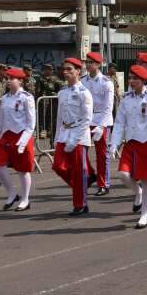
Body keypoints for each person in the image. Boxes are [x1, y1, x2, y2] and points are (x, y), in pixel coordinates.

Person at [110, 65, 147, 229]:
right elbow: (119, 123)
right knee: (122, 174)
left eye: (135, 79)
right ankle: (137, 192)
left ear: (143, 81)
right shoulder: (126, 99)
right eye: (131, 78)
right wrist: (114, 144)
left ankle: (144, 215)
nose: (132, 81)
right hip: (131, 143)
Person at [53, 58, 93, 215]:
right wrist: (56, 138)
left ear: (78, 71)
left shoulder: (84, 93)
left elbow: (86, 119)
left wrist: (75, 140)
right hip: (64, 133)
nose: (66, 72)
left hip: (79, 135)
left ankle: (81, 204)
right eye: (64, 69)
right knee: (58, 166)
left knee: (78, 171)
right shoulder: (62, 92)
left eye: (69, 69)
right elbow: (59, 117)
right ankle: (84, 182)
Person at [0, 68, 36, 211]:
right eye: (8, 78)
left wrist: (23, 142)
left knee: (22, 170)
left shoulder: (26, 97)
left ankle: (25, 199)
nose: (9, 81)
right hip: (6, 135)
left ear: (21, 81)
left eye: (12, 78)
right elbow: (1, 121)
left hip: (22, 134)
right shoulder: (5, 98)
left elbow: (31, 124)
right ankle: (12, 193)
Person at [81, 52, 113, 195]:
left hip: (101, 119)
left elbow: (108, 107)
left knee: (101, 154)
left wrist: (101, 126)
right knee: (81, 151)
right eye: (87, 62)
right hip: (86, 119)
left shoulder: (106, 82)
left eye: (91, 62)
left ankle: (103, 183)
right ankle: (91, 174)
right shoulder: (82, 81)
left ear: (99, 64)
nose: (88, 64)